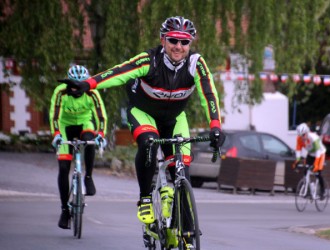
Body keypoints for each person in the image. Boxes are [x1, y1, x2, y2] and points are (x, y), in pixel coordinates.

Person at [58, 16, 226, 228]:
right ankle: (145, 197)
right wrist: (88, 84)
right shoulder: (150, 60)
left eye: (185, 42)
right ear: (163, 40)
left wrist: (216, 127)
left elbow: (209, 95)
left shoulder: (196, 63)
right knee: (148, 143)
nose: (179, 46)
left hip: (174, 118)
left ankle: (184, 226)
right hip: (143, 112)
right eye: (173, 40)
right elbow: (119, 72)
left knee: (181, 168)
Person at [50, 65, 108, 229]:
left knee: (90, 139)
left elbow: (101, 115)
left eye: (81, 85)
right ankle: (64, 210)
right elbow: (54, 115)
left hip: (84, 122)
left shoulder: (92, 92)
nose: (77, 89)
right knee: (63, 167)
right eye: (74, 85)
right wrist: (56, 135)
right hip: (64, 125)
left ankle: (88, 176)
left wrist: (101, 135)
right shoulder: (60, 92)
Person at [292, 123, 326, 199]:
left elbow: (318, 151)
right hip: (311, 154)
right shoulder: (299, 139)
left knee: (317, 172)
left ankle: (323, 191)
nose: (302, 137)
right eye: (300, 135)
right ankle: (307, 189)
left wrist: (316, 164)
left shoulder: (314, 138)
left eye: (303, 135)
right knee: (306, 170)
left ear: (307, 132)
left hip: (320, 154)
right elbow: (298, 150)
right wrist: (297, 160)